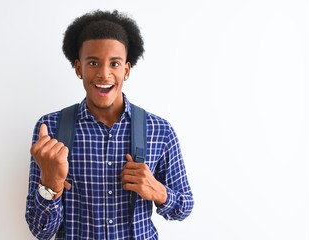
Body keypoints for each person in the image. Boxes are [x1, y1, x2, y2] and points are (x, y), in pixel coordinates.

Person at [25, 9, 194, 240]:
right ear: (78, 68)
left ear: (126, 70)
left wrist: (158, 191)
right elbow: (41, 231)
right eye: (93, 62)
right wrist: (50, 184)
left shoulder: (159, 130)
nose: (104, 74)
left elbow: (184, 207)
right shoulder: (51, 129)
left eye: (114, 64)